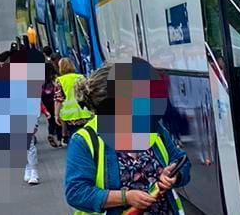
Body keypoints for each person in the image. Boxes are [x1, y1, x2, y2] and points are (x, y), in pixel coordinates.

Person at [64, 59, 191, 215]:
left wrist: (175, 175)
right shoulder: (84, 140)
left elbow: (181, 160)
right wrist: (125, 198)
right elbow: (76, 193)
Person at [56, 57, 94, 140]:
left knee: (75, 137)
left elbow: (59, 100)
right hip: (85, 112)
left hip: (70, 116)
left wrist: (56, 115)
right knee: (89, 135)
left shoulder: (60, 80)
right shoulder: (81, 77)